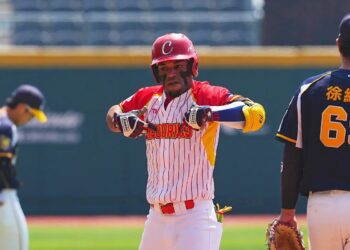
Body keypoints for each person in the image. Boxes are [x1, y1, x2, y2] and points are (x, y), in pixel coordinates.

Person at [106, 33, 265, 250]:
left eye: (178, 65)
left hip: (195, 216)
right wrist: (119, 120)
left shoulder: (206, 95)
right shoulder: (148, 98)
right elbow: (113, 112)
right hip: (156, 217)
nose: (171, 73)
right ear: (156, 72)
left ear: (192, 66)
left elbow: (256, 114)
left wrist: (210, 114)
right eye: (164, 68)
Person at [275, 13, 350, 250]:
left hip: (322, 206)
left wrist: (287, 212)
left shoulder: (310, 89)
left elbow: (292, 156)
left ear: (338, 43)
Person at [0, 84, 47, 250]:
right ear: (21, 107)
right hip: (3, 199)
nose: (30, 119)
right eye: (31, 114)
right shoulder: (5, 126)